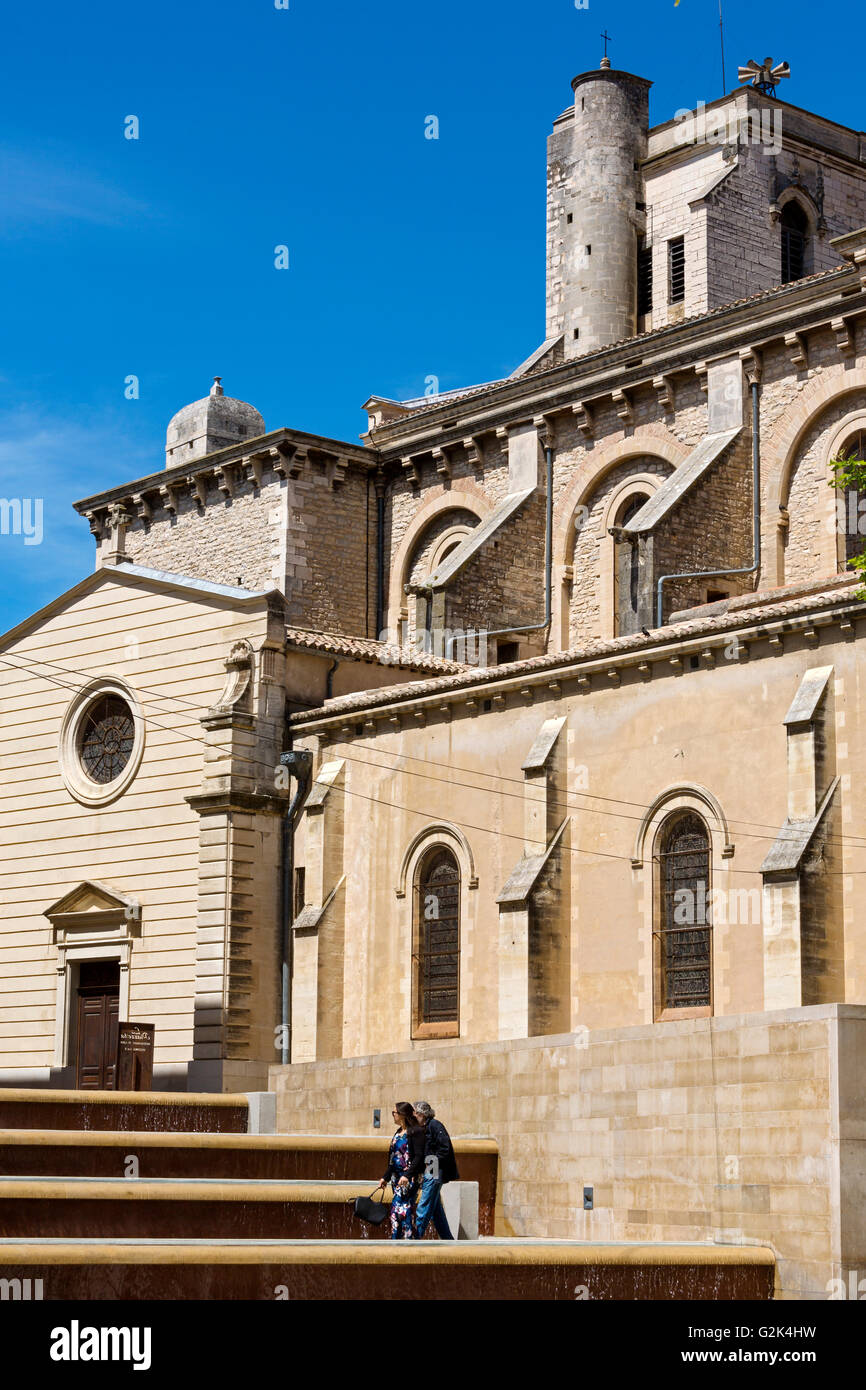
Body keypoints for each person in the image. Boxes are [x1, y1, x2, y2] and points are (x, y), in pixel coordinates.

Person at [412, 1101, 459, 1240]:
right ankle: (448, 1240)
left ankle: (413, 1239)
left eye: (413, 1113)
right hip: (430, 1171)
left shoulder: (435, 1125)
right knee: (436, 1211)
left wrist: (429, 1166)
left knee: (424, 1206)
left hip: (434, 1171)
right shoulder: (423, 1127)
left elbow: (445, 1149)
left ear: (420, 1114)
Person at [378, 1101, 425, 1239]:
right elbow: (393, 1159)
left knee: (397, 1209)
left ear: (403, 1115)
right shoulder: (398, 1133)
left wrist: (407, 1175)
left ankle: (397, 1239)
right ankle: (407, 1239)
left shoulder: (415, 1132)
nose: (393, 1115)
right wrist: (385, 1178)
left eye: (395, 1113)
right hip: (396, 1179)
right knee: (404, 1210)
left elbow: (419, 1156)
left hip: (408, 1178)